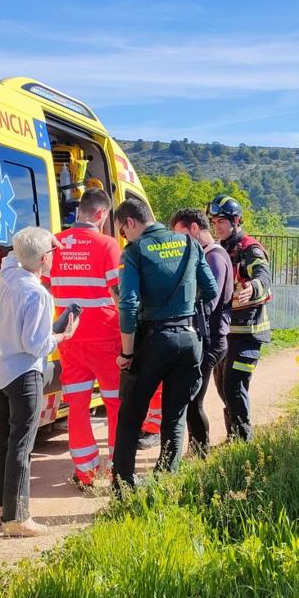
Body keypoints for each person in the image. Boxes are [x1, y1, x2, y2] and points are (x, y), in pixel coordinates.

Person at [111, 197, 217, 491]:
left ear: (130, 222)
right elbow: (210, 289)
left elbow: (129, 304)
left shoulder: (134, 252)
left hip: (153, 341)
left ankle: (123, 487)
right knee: (175, 416)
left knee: (131, 417)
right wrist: (180, 306)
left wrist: (127, 353)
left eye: (122, 231)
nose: (124, 237)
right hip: (189, 340)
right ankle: (164, 483)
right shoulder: (190, 244)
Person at [0, 226, 79, 536]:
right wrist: (63, 335)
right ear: (42, 258)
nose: (54, 256)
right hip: (23, 374)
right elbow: (34, 344)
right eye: (50, 253)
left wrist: (36, 240)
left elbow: (13, 254)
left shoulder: (9, 273)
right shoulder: (38, 293)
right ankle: (17, 517)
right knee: (21, 446)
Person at [47, 189, 123, 488]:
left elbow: (44, 287)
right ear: (102, 214)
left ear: (80, 211)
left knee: (77, 406)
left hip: (69, 339)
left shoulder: (55, 242)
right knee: (115, 404)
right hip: (105, 337)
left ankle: (86, 473)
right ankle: (119, 472)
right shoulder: (108, 244)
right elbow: (118, 295)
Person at [207, 195, 272, 442]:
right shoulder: (218, 249)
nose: (217, 226)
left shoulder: (250, 249)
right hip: (226, 333)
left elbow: (264, 276)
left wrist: (252, 287)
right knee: (223, 386)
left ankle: (243, 440)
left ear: (236, 221)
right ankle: (234, 436)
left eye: (221, 221)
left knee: (234, 385)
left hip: (249, 333)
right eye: (214, 222)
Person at [171, 208, 233, 456]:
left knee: (193, 398)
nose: (179, 241)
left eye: (181, 234)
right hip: (207, 338)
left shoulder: (214, 256)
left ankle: (200, 452)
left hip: (213, 340)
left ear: (194, 229)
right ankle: (198, 450)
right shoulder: (205, 254)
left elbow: (210, 301)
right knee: (192, 397)